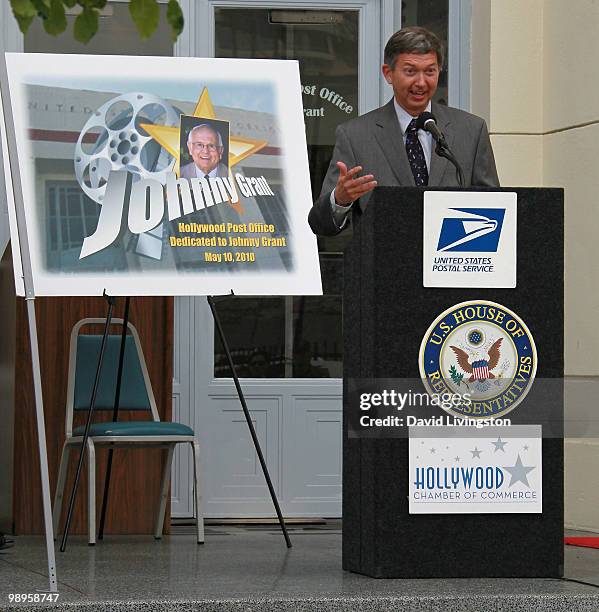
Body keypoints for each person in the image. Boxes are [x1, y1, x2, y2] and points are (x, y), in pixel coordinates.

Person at [308, 26, 499, 237]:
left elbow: (495, 208)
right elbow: (321, 224)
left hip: (453, 263)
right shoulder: (355, 135)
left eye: (430, 71)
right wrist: (340, 200)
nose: (421, 82)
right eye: (410, 71)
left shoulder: (471, 130)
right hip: (384, 265)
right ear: (388, 73)